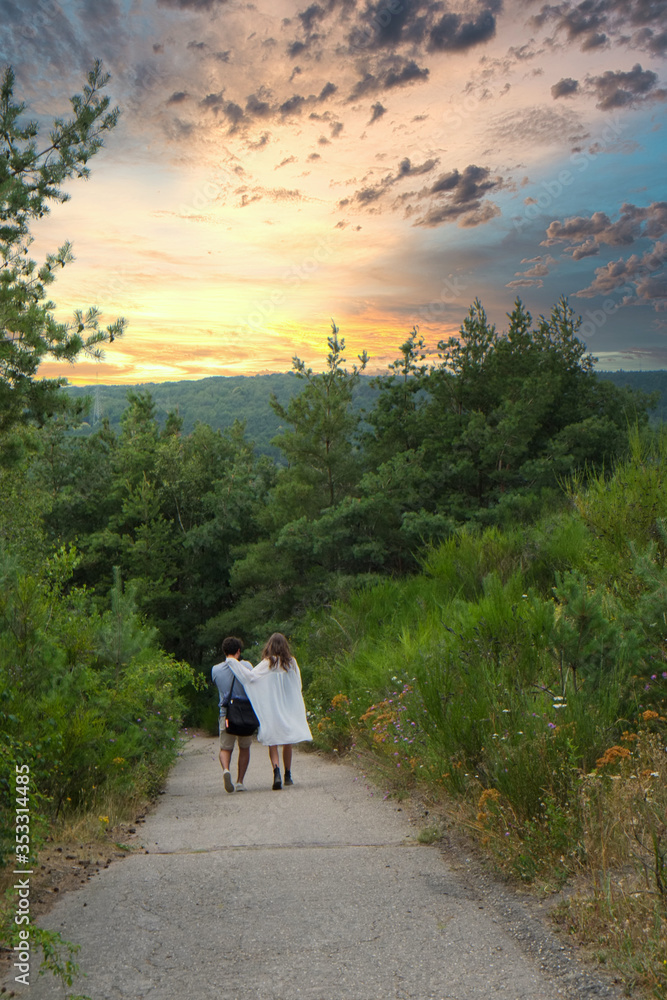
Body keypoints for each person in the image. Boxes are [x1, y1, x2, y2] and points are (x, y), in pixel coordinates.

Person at [229, 632, 312, 790]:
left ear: (270, 646)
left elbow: (251, 677)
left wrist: (233, 662)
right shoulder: (291, 662)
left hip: (273, 707)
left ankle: (276, 772)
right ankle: (288, 774)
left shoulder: (267, 663)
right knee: (288, 739)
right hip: (287, 706)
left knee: (273, 741)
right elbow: (298, 684)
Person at [211, 636, 257, 793]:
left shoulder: (216, 670)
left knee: (225, 748)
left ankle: (226, 770)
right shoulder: (246, 666)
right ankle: (240, 782)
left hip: (226, 714)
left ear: (224, 651)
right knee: (244, 747)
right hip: (244, 714)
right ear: (239, 651)